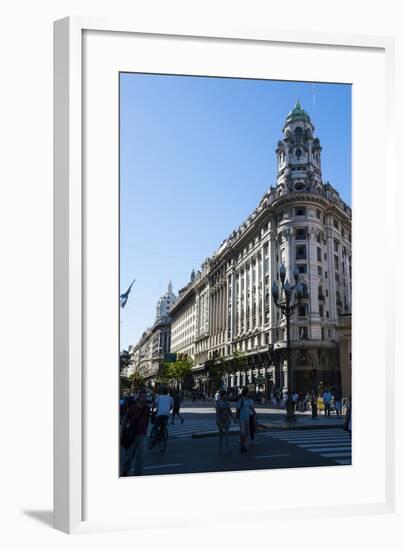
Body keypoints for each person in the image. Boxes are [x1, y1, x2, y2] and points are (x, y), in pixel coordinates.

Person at [120, 391, 150, 476]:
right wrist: (122, 433)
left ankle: (138, 475)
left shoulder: (147, 409)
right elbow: (126, 420)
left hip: (143, 435)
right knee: (129, 456)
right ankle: (125, 470)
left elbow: (148, 421)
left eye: (145, 397)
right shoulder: (133, 407)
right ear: (138, 398)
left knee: (141, 457)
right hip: (132, 435)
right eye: (142, 397)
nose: (144, 398)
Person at [216, 390, 236, 455]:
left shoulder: (227, 403)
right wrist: (219, 421)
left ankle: (227, 448)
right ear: (222, 395)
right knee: (221, 435)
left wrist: (233, 418)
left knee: (227, 435)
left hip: (227, 419)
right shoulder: (218, 403)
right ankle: (220, 448)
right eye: (225, 395)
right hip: (220, 420)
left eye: (226, 395)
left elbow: (229, 411)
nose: (226, 396)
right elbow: (217, 414)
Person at [236, 387, 251, 453]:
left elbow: (250, 408)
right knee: (243, 432)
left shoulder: (248, 400)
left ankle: (243, 444)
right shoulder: (241, 400)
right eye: (248, 392)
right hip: (242, 418)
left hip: (247, 418)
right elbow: (237, 408)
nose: (249, 393)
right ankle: (242, 446)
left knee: (247, 433)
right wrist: (236, 417)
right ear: (246, 393)